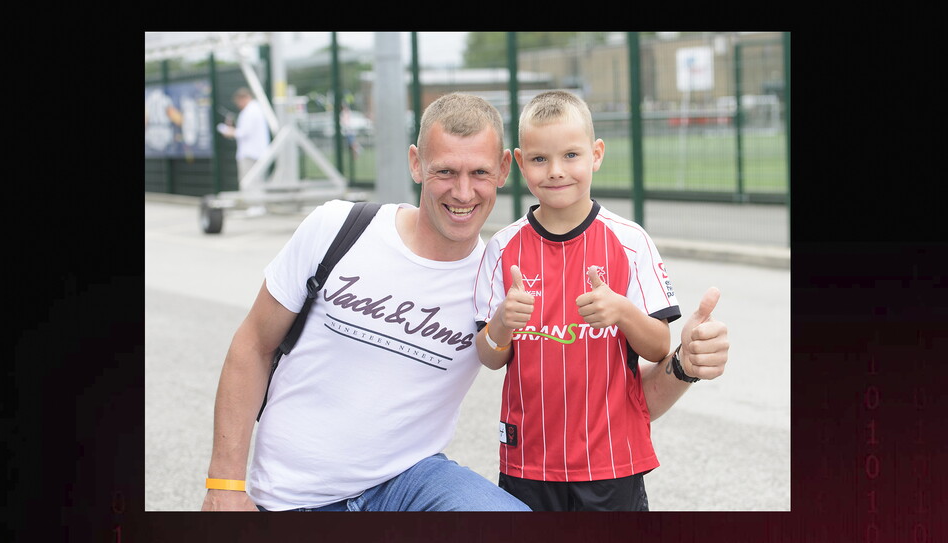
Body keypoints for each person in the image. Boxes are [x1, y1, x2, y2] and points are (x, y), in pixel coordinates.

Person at [201, 92, 729, 512]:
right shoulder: (338, 227)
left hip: (410, 484)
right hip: (294, 498)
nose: (462, 191)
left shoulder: (494, 269)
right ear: (415, 163)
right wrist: (224, 483)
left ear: (502, 169)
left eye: (478, 172)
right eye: (444, 171)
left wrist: (683, 365)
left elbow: (608, 397)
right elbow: (251, 344)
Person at [473, 90, 726, 511]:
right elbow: (489, 356)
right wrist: (502, 323)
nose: (555, 171)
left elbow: (659, 347)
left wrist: (623, 312)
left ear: (596, 154)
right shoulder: (501, 248)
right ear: (518, 162)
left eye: (571, 155)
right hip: (527, 462)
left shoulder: (629, 242)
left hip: (612, 461)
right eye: (539, 159)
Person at [217, 87, 271, 194]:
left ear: (244, 98)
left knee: (249, 180)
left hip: (250, 153)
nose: (238, 105)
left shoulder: (249, 111)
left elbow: (243, 132)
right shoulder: (256, 109)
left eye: (238, 102)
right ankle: (256, 205)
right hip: (257, 151)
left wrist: (230, 131)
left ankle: (254, 206)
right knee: (256, 180)